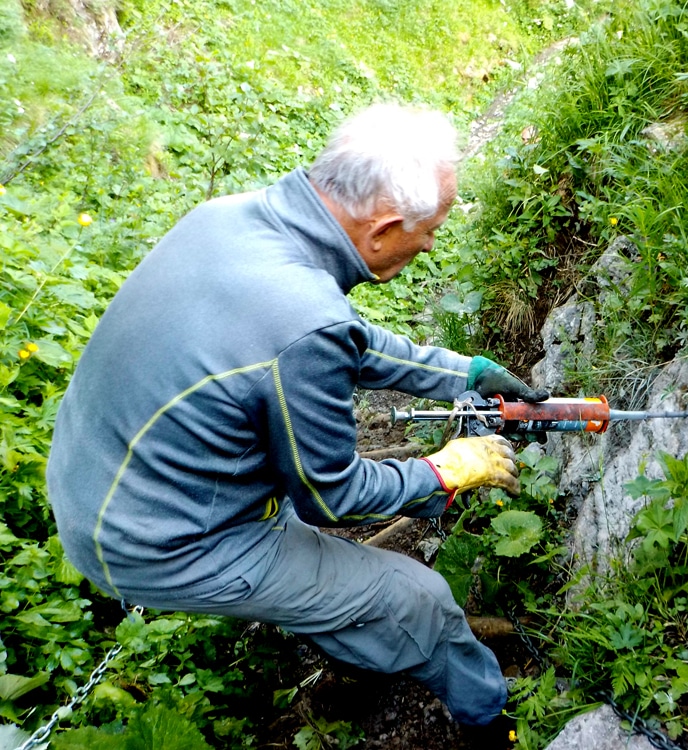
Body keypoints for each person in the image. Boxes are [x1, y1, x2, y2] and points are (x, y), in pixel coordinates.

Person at [46, 102, 548, 728]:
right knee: (421, 599)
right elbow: (329, 497)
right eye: (431, 231)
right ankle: (492, 718)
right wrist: (444, 474)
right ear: (385, 227)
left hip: (98, 479)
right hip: (159, 542)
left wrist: (464, 375)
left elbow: (336, 340)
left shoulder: (229, 219)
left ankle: (351, 626)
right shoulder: (306, 321)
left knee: (344, 572)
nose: (429, 243)